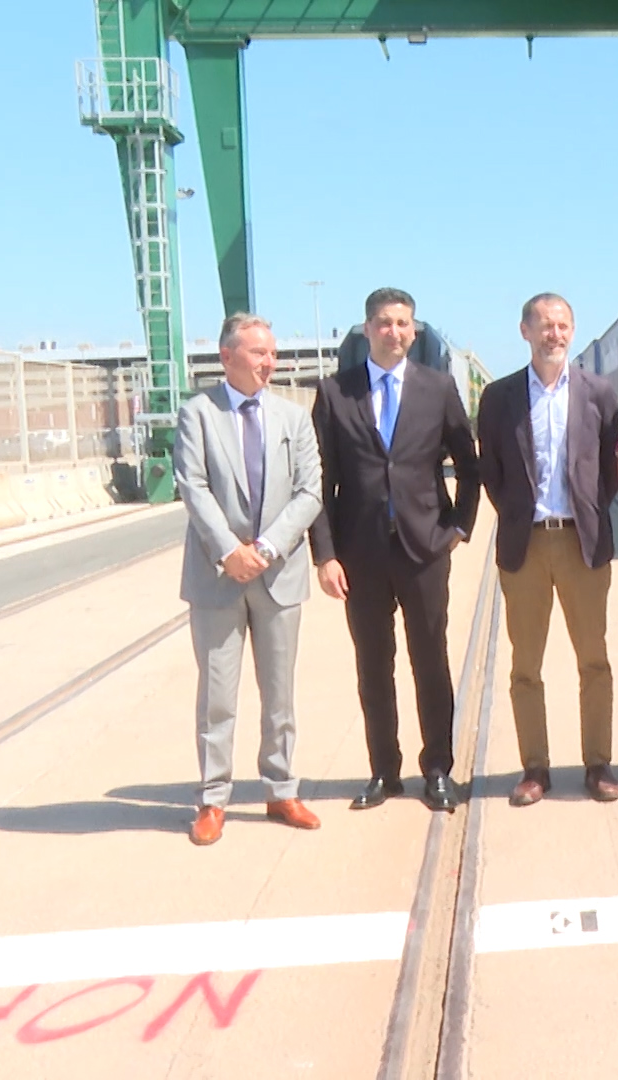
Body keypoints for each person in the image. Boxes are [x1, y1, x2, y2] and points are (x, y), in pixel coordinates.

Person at [311, 288, 481, 812]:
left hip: (424, 549)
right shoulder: (335, 393)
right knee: (373, 665)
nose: (395, 332)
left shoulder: (438, 388)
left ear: (414, 330)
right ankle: (384, 770)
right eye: (384, 323)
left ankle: (438, 770)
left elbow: (469, 466)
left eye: (403, 323)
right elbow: (319, 480)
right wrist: (325, 554)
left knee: (431, 661)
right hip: (360, 554)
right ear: (367, 330)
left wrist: (457, 528)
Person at [174, 314, 325, 845]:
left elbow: (310, 492)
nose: (269, 362)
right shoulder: (198, 414)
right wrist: (228, 551)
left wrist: (262, 548)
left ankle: (281, 790)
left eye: (272, 353)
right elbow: (191, 486)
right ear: (227, 356)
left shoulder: (294, 417)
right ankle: (213, 800)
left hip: (278, 575)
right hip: (217, 579)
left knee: (279, 694)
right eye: (258, 353)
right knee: (218, 696)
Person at [476, 293, 618, 808]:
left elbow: (611, 471)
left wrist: (586, 509)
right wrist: (519, 514)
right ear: (525, 331)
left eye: (562, 325)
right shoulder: (498, 398)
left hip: (583, 543)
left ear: (573, 329)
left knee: (594, 662)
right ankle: (534, 768)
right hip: (526, 546)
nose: (554, 334)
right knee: (525, 666)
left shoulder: (600, 394)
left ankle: (597, 764)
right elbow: (489, 470)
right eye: (544, 325)